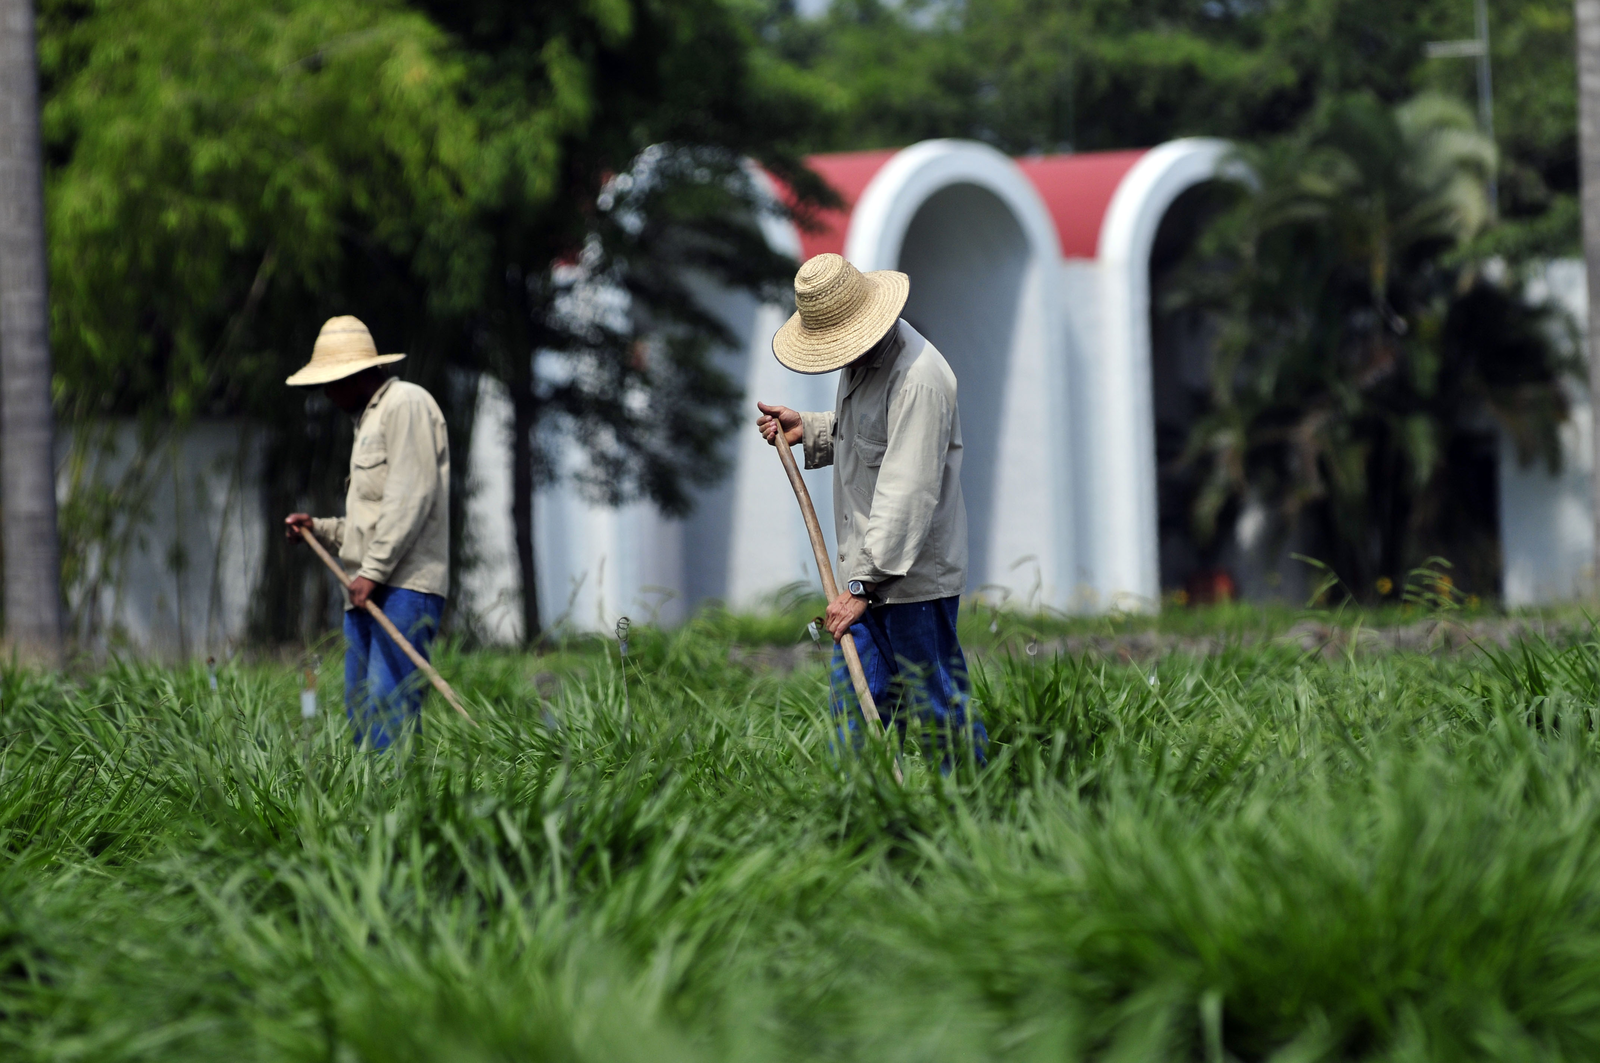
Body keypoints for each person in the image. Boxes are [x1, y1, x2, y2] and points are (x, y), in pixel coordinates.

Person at [757, 253, 987, 765]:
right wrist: (812, 428)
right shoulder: (862, 363)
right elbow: (864, 436)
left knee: (938, 711)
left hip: (908, 583)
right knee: (856, 714)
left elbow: (907, 491)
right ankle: (862, 820)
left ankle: (978, 813)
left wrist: (863, 586)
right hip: (863, 579)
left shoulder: (919, 379)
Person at [283, 316, 450, 750]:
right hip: (366, 590)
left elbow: (409, 498)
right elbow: (370, 523)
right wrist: (317, 529)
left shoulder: (405, 404)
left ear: (359, 374)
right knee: (360, 711)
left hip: (402, 589)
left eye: (333, 381)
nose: (328, 393)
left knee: (386, 706)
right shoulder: (368, 423)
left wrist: (372, 572)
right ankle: (368, 813)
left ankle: (393, 813)